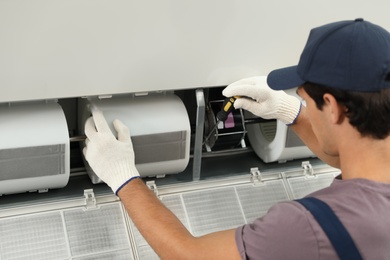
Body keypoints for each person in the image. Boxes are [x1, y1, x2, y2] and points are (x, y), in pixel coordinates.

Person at [83, 18, 390, 259]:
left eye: (306, 101)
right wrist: (291, 111)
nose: (303, 106)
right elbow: (354, 158)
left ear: (333, 107)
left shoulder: (308, 227)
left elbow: (188, 256)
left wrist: (123, 177)